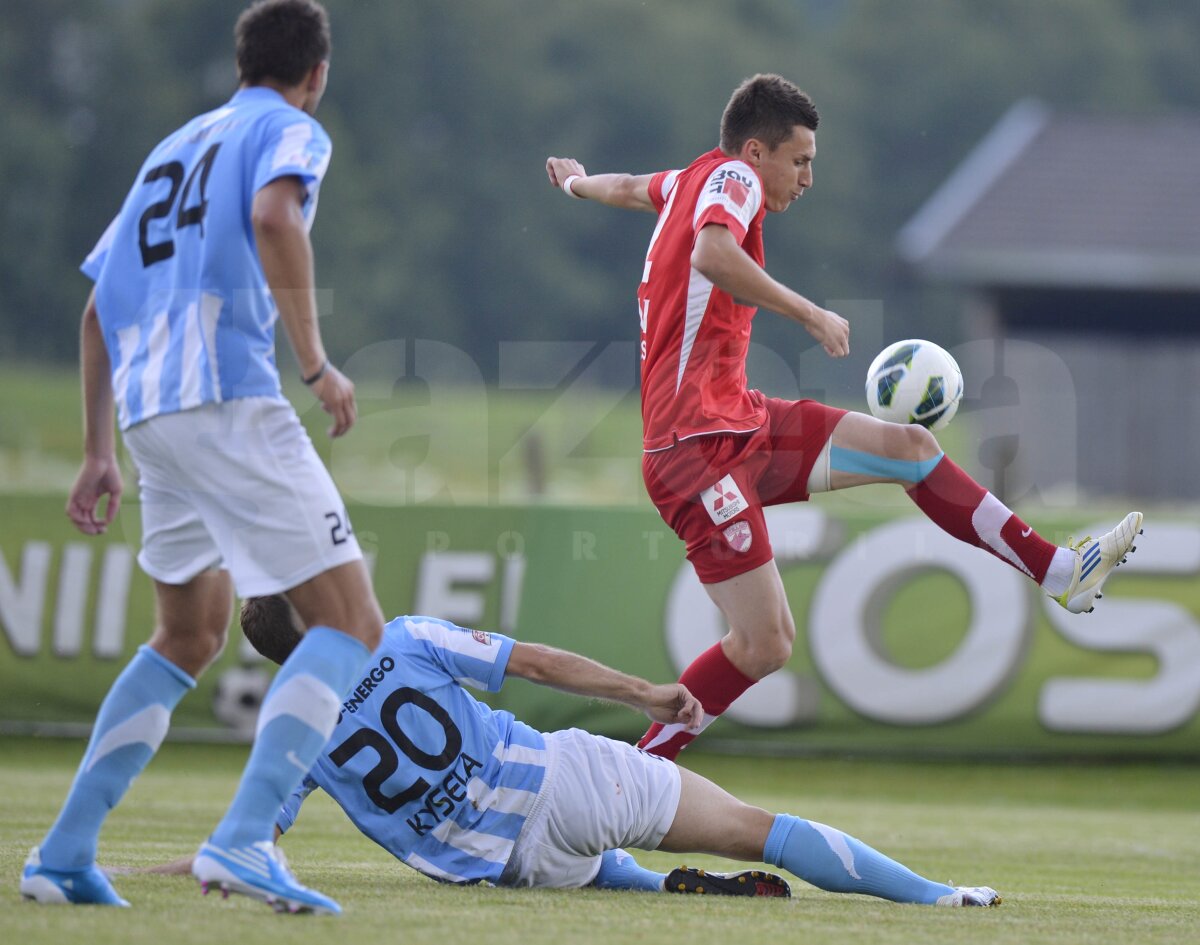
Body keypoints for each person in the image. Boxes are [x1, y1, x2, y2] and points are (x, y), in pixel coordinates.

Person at [545, 74, 1143, 759]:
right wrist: (809, 313)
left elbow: (625, 188)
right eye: (800, 161)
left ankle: (1062, 572)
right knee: (764, 644)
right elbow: (713, 253)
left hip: (739, 425)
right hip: (695, 451)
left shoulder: (692, 179)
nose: (807, 178)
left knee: (911, 448)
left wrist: (574, 185)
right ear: (754, 151)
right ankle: (632, 778)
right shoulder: (735, 182)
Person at [20, 0, 383, 916]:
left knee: (188, 635)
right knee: (350, 623)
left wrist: (98, 449)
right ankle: (245, 838)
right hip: (226, 396)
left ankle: (63, 853)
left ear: (240, 60)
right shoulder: (292, 129)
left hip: (148, 416)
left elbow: (100, 305)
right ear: (318, 72)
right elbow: (274, 216)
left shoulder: (172, 148)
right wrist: (315, 361)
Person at [141, 596, 997, 908]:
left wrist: (139, 879)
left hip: (499, 865)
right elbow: (537, 663)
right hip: (565, 782)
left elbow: (246, 849)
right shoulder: (401, 636)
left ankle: (665, 888)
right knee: (757, 827)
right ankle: (939, 896)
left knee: (594, 871)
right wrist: (645, 692)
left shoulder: (294, 727)